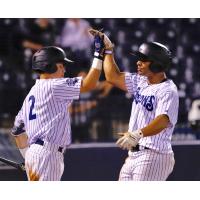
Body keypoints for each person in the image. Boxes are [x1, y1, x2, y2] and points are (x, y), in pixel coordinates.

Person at [10, 33, 105, 181]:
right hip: (47, 154)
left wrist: (28, 155)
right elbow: (90, 84)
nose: (64, 70)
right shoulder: (53, 85)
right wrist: (99, 55)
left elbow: (17, 130)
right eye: (61, 66)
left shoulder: (31, 94)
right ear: (49, 66)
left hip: (39, 154)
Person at [89, 29, 179, 181]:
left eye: (143, 60)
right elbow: (112, 77)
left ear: (157, 64)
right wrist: (109, 51)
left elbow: (163, 120)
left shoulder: (168, 90)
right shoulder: (141, 80)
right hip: (134, 155)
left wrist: (138, 134)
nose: (138, 62)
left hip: (154, 154)